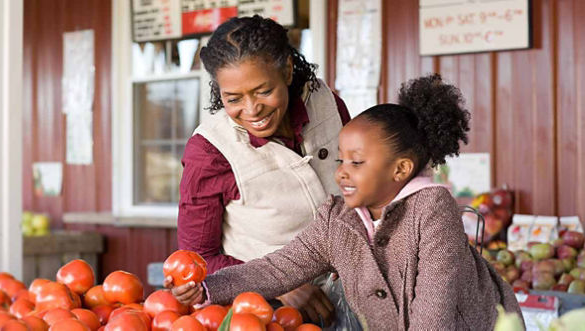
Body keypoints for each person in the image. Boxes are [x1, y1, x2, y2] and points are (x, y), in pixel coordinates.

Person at [170, 74, 523, 330]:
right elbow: (277, 268)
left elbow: (435, 308)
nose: (341, 173)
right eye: (340, 161)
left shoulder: (432, 208)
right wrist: (209, 288)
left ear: (400, 169)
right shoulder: (338, 217)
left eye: (357, 163)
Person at [177, 15, 351, 326]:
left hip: (351, 290)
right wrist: (281, 285)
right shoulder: (209, 151)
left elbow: (361, 182)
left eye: (262, 91)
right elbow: (198, 260)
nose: (252, 109)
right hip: (264, 314)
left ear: (286, 70)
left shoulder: (326, 103)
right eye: (234, 99)